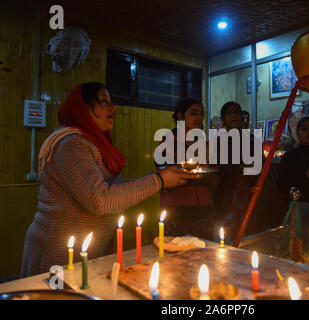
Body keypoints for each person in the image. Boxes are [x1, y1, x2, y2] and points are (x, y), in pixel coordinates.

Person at [20, 83, 194, 277]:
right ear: (82, 106)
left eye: (112, 102)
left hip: (85, 252)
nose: (114, 107)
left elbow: (114, 190)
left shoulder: (95, 144)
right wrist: (159, 181)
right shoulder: (69, 144)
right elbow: (101, 199)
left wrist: (165, 178)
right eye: (104, 101)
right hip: (55, 254)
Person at [156, 98, 219, 240]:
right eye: (194, 113)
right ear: (180, 116)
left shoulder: (205, 144)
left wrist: (208, 170)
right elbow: (164, 177)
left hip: (204, 211)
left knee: (205, 254)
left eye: (201, 114)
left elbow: (214, 179)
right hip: (177, 212)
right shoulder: (168, 142)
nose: (199, 118)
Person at [213, 101, 261, 242]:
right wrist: (236, 168)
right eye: (229, 113)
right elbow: (214, 169)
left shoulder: (252, 140)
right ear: (223, 120)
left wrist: (250, 168)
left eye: (237, 112)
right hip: (226, 195)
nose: (234, 116)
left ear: (242, 117)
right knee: (225, 238)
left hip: (248, 194)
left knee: (249, 239)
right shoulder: (217, 142)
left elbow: (262, 168)